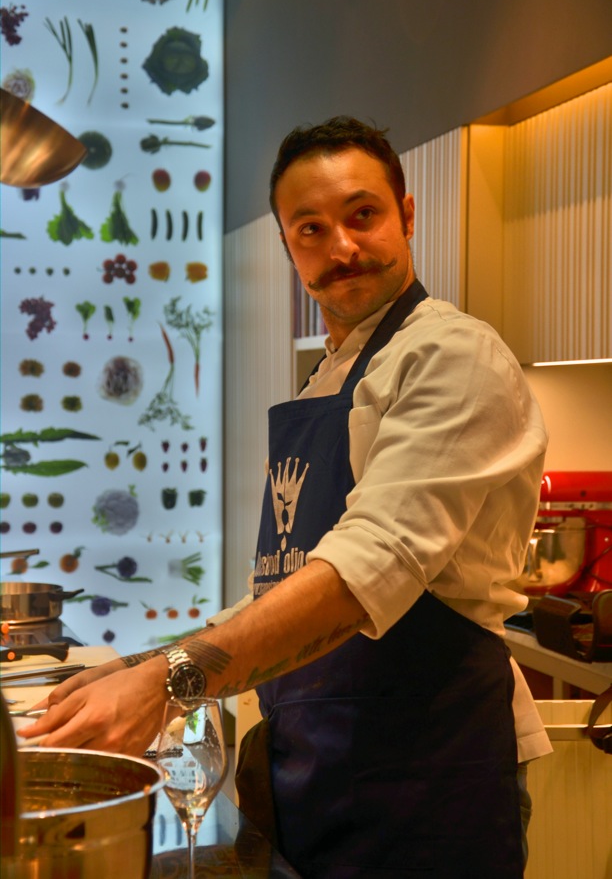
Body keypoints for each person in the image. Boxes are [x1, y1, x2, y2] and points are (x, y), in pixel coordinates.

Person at [22, 116, 552, 878]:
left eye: (363, 214)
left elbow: (364, 570)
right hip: (320, 773)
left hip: (428, 778)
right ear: (287, 244)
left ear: (407, 215)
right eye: (311, 229)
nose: (342, 248)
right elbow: (278, 589)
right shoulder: (326, 379)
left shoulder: (452, 354)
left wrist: (167, 684)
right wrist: (131, 666)